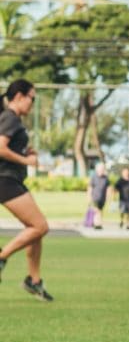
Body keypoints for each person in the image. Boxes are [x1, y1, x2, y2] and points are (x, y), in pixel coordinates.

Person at [0, 79, 53, 301]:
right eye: (32, 97)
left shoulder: (13, 120)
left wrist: (24, 152)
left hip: (12, 179)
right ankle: (2, 257)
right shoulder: (10, 117)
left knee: (36, 230)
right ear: (19, 96)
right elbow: (0, 148)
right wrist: (26, 160)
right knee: (40, 226)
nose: (33, 102)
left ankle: (34, 280)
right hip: (5, 180)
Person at [88, 161, 109, 230]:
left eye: (102, 169)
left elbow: (108, 188)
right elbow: (90, 187)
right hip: (95, 197)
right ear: (97, 169)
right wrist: (89, 197)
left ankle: (98, 223)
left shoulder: (106, 178)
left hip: (102, 198)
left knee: (100, 210)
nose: (101, 170)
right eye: (100, 169)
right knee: (96, 210)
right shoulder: (94, 177)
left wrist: (108, 197)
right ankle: (96, 223)